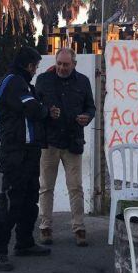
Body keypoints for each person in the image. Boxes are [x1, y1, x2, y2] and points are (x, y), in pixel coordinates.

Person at [0, 46, 54, 271]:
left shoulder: (25, 84)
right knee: (11, 202)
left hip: (29, 151)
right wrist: (45, 110)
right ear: (28, 65)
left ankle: (24, 242)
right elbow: (34, 109)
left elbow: (37, 104)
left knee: (29, 199)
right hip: (14, 152)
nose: (36, 70)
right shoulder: (13, 82)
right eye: (35, 66)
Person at [35, 48, 96, 247]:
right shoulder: (43, 80)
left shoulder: (84, 82)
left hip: (72, 142)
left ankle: (79, 228)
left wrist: (87, 117)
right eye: (59, 63)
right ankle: (45, 227)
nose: (61, 68)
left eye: (66, 65)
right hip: (49, 142)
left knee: (76, 187)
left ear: (74, 64)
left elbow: (91, 107)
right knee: (46, 187)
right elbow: (36, 107)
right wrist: (46, 112)